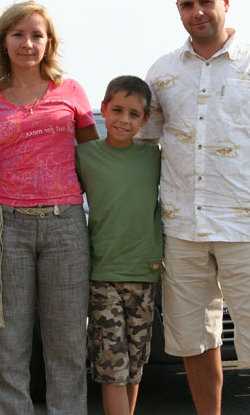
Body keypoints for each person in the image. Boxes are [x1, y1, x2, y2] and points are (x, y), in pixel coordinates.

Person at [136, 0, 250, 415]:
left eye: (206, 1)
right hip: (182, 231)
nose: (197, 12)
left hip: (249, 231)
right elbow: (141, 145)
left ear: (225, 2)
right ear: (178, 10)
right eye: (187, 5)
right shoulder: (162, 72)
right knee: (195, 342)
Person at [0, 0, 99, 415]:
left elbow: (95, 159)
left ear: (49, 42)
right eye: (18, 34)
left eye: (36, 35)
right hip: (6, 227)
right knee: (6, 343)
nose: (28, 43)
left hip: (66, 226)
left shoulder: (71, 91)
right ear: (3, 42)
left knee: (67, 344)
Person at [76, 75, 162, 415]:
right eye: (117, 110)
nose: (124, 120)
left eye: (134, 114)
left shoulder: (154, 158)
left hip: (145, 274)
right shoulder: (85, 155)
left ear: (145, 119)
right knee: (112, 368)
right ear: (103, 108)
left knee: (134, 367)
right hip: (103, 275)